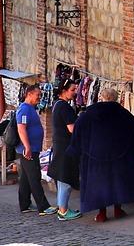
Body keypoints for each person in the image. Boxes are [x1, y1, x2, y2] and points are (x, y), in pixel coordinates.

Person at [67, 87, 134, 223]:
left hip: (95, 156)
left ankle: (102, 214)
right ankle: (117, 210)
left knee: (100, 184)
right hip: (120, 155)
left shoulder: (87, 116)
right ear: (115, 98)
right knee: (117, 182)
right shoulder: (125, 115)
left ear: (102, 98)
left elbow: (78, 132)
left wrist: (78, 149)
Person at [15, 84, 55, 216]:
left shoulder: (31, 108)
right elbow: (21, 129)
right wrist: (27, 147)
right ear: (29, 94)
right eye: (37, 95)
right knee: (34, 177)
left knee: (26, 178)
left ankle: (25, 204)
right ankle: (43, 206)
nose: (40, 97)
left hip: (32, 148)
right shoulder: (24, 110)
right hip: (28, 150)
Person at [48, 79, 82, 220]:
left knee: (63, 178)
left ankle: (62, 207)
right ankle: (63, 210)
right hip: (65, 147)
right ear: (64, 91)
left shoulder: (56, 105)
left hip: (60, 145)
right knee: (65, 178)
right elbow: (72, 128)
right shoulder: (64, 107)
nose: (75, 93)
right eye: (73, 90)